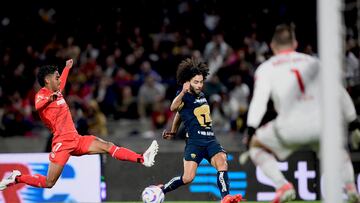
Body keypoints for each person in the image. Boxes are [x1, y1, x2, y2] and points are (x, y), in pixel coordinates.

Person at [0, 59, 159, 190]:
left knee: (107, 145)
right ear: (47, 80)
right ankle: (17, 177)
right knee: (49, 183)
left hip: (76, 140)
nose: (59, 80)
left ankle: (142, 158)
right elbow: (38, 105)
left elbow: (61, 83)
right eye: (56, 77)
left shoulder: (57, 90)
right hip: (62, 143)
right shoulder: (42, 95)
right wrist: (51, 98)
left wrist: (67, 68)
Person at [245, 24, 360, 203]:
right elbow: (339, 93)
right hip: (321, 125)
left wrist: (251, 128)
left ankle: (282, 186)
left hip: (289, 127)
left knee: (256, 146)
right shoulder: (314, 63)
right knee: (336, 151)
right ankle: (351, 189)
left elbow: (259, 101)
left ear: (272, 46)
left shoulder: (266, 68)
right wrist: (353, 122)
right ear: (295, 43)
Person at [160, 58, 243, 203]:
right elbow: (174, 108)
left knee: (222, 162)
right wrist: (182, 93)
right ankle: (162, 189)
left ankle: (226, 198)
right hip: (195, 143)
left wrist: (173, 130)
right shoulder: (184, 95)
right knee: (188, 178)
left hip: (210, 140)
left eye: (201, 82)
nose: (199, 85)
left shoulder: (202, 96)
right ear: (188, 82)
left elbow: (180, 113)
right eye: (196, 82)